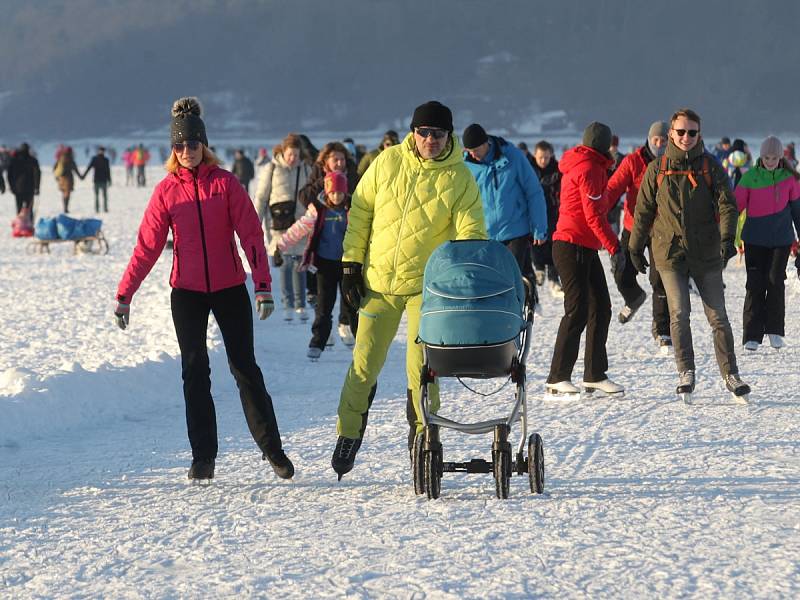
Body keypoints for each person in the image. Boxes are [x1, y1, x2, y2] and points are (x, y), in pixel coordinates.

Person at [114, 97, 294, 482]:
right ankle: (203, 456)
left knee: (244, 367)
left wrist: (262, 285)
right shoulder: (165, 191)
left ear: (204, 145)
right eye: (178, 146)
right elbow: (147, 246)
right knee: (195, 371)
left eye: (192, 145)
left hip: (230, 287)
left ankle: (271, 448)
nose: (186, 152)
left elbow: (250, 236)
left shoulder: (225, 184)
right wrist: (125, 294)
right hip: (187, 292)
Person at [330, 100, 486, 479]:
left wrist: (462, 278)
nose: (429, 139)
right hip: (379, 283)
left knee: (423, 370)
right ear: (412, 133)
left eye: (438, 133)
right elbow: (361, 212)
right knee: (364, 366)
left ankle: (424, 438)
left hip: (426, 290)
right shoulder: (387, 163)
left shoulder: (459, 178)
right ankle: (349, 432)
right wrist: (350, 265)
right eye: (423, 132)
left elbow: (471, 233)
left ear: (449, 136)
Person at [629, 108, 750, 399]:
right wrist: (633, 247)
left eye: (692, 132)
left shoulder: (710, 166)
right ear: (671, 133)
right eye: (680, 132)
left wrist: (727, 239)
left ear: (699, 134)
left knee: (717, 315)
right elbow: (643, 210)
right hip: (669, 251)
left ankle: (731, 375)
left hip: (706, 251)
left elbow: (728, 205)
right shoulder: (657, 169)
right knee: (679, 312)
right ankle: (686, 371)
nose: (686, 137)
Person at [544, 122, 625, 398]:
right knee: (577, 310)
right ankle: (557, 377)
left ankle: (594, 374)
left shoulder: (593, 165)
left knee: (601, 307)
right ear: (603, 146)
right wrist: (615, 247)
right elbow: (594, 217)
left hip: (584, 247)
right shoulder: (589, 168)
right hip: (570, 245)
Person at [605, 121, 671, 348]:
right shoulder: (633, 161)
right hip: (634, 227)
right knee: (621, 270)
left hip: (662, 230)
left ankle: (662, 330)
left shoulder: (673, 162)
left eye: (664, 140)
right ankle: (633, 297)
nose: (659, 144)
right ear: (649, 138)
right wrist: (599, 209)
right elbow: (613, 188)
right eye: (656, 140)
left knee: (660, 279)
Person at [277, 170, 357, 358]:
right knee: (323, 306)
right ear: (327, 193)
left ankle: (357, 339)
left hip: (347, 264)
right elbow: (299, 229)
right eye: (333, 193)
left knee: (351, 304)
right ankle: (318, 342)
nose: (336, 196)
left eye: (340, 193)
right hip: (324, 265)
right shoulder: (318, 210)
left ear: (345, 192)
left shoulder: (352, 210)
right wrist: (280, 246)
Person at [462, 123, 547, 290]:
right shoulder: (466, 166)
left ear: (486, 143)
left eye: (476, 149)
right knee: (492, 280)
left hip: (515, 229)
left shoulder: (513, 156)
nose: (473, 154)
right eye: (469, 151)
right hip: (485, 233)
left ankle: (524, 305)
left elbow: (534, 191)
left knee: (509, 277)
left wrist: (539, 227)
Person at [734, 136, 800, 351]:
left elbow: (798, 213)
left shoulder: (790, 179)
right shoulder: (749, 178)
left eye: (774, 157)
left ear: (781, 157)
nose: (770, 161)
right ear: (760, 157)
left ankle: (774, 331)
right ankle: (751, 335)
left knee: (775, 281)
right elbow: (734, 210)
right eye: (766, 157)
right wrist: (728, 237)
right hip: (754, 240)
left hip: (781, 241)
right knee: (755, 284)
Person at [299, 141, 359, 340]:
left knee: (349, 293)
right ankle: (324, 333)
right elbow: (304, 197)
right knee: (324, 296)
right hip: (323, 247)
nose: (340, 163)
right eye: (335, 160)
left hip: (349, 248)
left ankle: (345, 323)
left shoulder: (352, 174)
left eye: (342, 159)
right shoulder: (318, 173)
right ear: (326, 161)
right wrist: (324, 181)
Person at [254, 133, 313, 321]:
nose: (293, 158)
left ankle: (300, 305)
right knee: (286, 262)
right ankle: (288, 304)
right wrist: (256, 221)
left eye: (296, 155)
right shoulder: (271, 168)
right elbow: (261, 197)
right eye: (290, 154)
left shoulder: (305, 169)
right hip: (279, 223)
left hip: (301, 223)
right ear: (283, 152)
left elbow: (312, 194)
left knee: (299, 263)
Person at [530, 140, 562, 295]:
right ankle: (539, 269)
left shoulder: (557, 170)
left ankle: (554, 278)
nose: (543, 161)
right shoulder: (528, 169)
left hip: (553, 211)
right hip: (534, 212)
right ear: (535, 155)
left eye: (547, 157)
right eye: (541, 157)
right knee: (536, 242)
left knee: (553, 244)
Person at [7, 143, 40, 216]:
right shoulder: (33, 160)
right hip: (30, 188)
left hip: (18, 189)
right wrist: (37, 187)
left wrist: (12, 186)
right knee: (29, 209)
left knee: (19, 208)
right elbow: (37, 175)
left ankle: (19, 225)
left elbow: (9, 175)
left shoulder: (14, 160)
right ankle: (29, 225)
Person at [82, 146, 112, 213]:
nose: (101, 152)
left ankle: (105, 208)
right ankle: (97, 209)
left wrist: (109, 180)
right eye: (100, 150)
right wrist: (84, 175)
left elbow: (108, 171)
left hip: (104, 180)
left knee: (105, 196)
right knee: (97, 196)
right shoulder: (95, 159)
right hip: (97, 180)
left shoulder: (106, 160)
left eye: (102, 151)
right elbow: (89, 167)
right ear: (98, 151)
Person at [53, 146, 81, 213]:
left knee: (64, 193)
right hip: (68, 179)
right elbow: (75, 170)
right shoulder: (70, 160)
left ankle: (65, 207)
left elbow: (54, 168)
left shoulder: (60, 159)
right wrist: (81, 177)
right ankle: (65, 208)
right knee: (67, 194)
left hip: (61, 179)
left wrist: (57, 177)